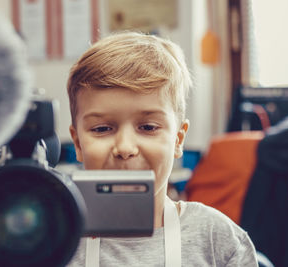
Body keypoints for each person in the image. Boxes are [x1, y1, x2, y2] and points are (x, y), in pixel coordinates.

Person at [66, 31, 258, 266]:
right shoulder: (54, 241)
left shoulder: (217, 240)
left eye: (147, 127)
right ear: (78, 143)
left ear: (178, 140)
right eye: (102, 129)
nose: (125, 148)